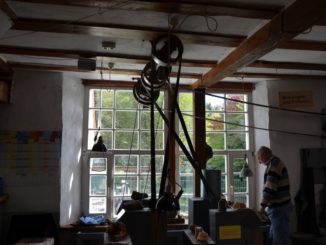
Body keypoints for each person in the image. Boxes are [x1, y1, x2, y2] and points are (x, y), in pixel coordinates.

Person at [256, 146, 293, 245]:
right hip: (281, 207)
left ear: (263, 155)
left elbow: (269, 189)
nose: (259, 162)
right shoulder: (274, 163)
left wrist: (262, 208)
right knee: (275, 237)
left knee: (280, 240)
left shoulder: (274, 165)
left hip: (279, 209)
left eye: (259, 159)